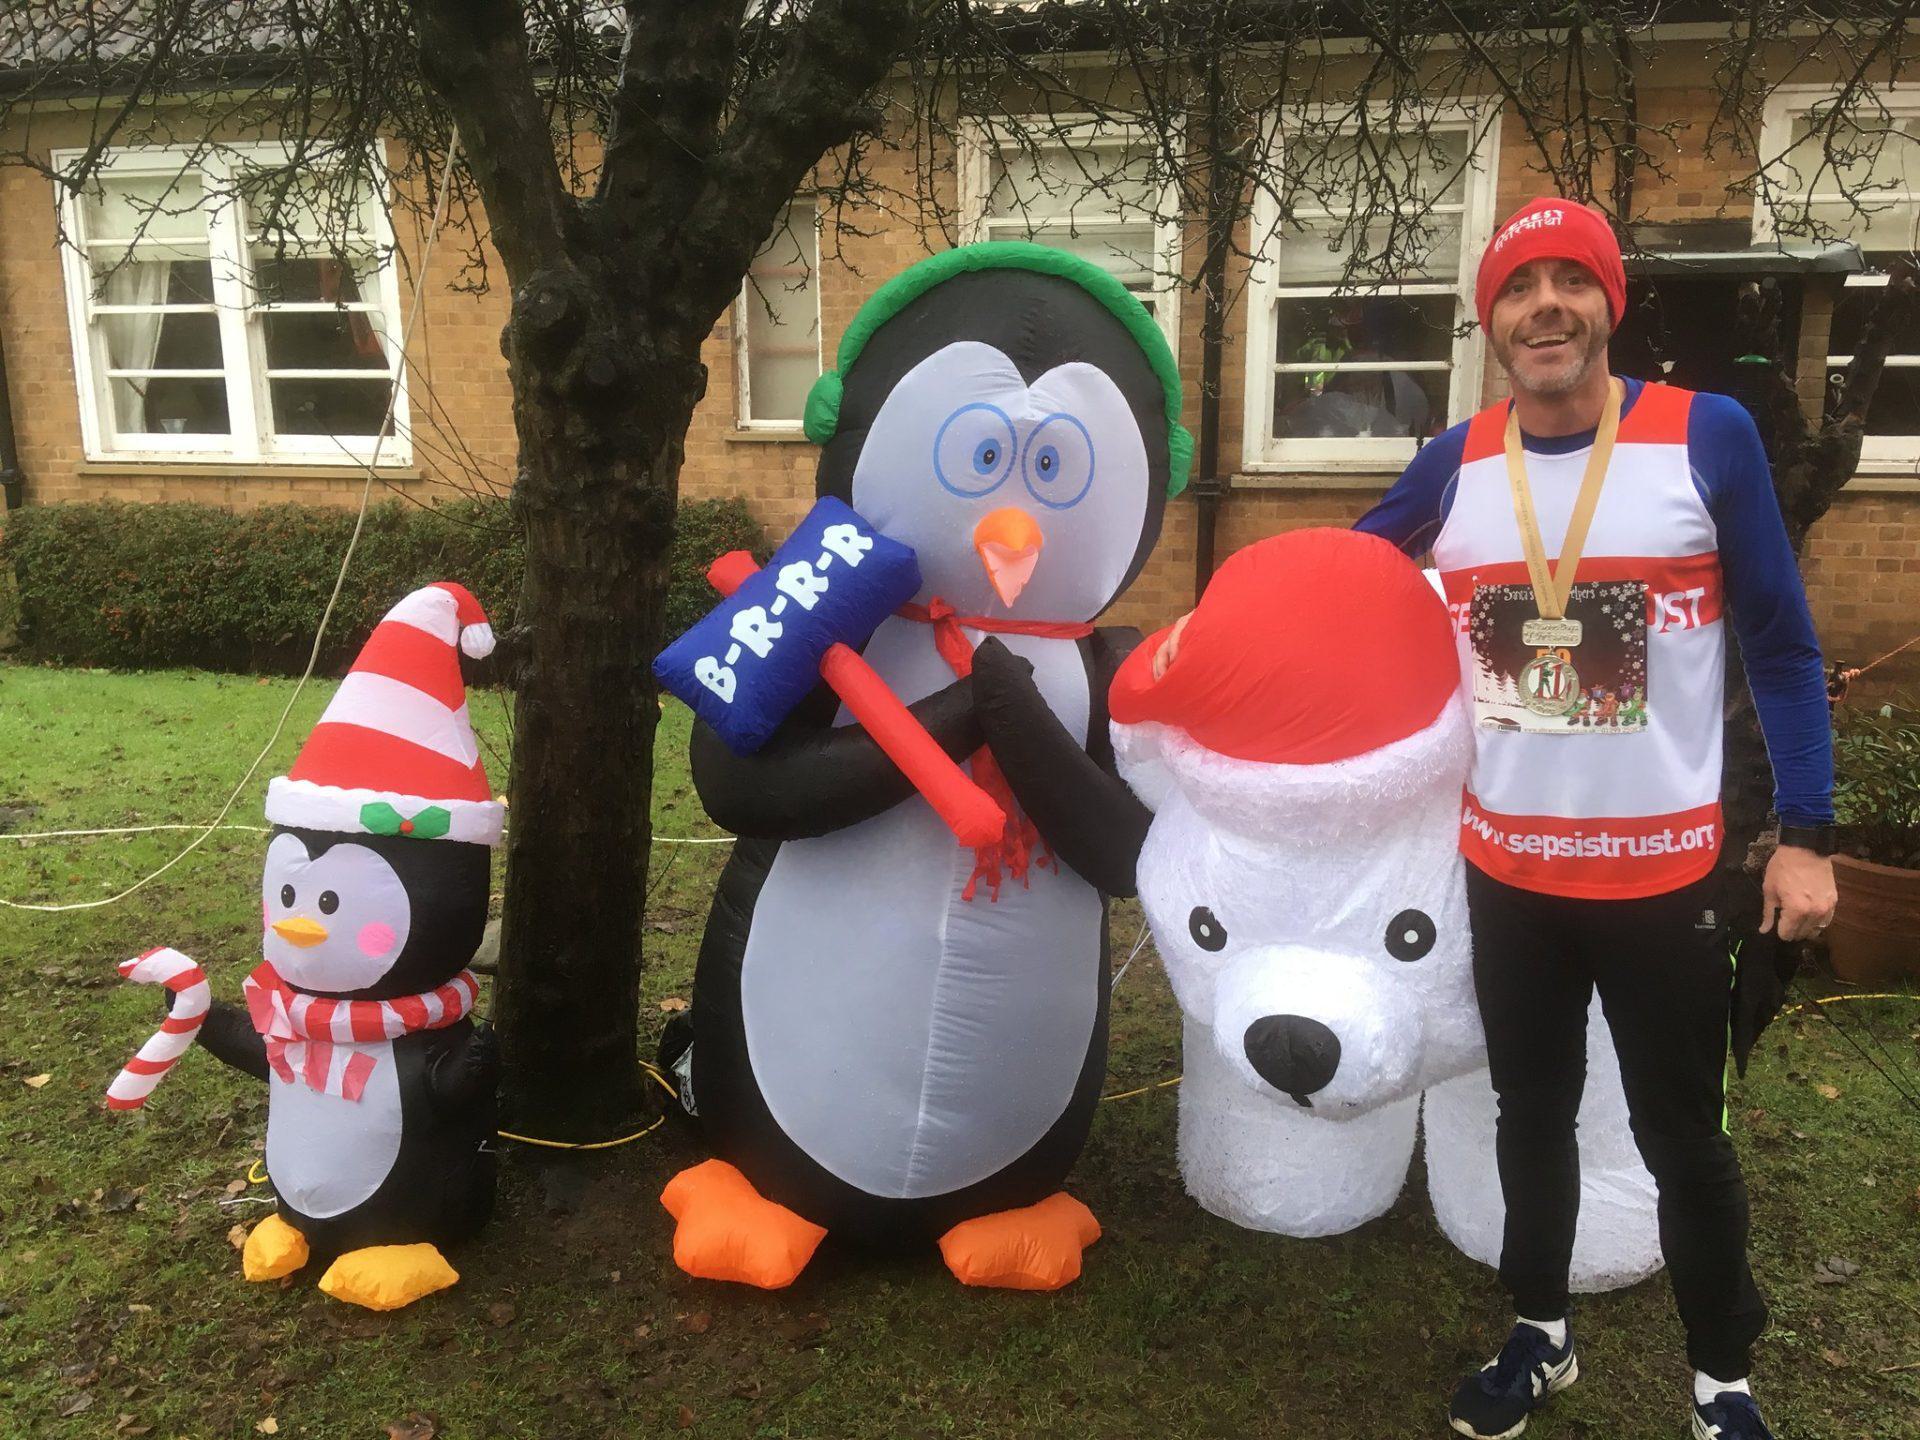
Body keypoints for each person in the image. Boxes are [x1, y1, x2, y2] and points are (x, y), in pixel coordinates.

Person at [1151, 197, 1836, 1440]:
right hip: (1510, 882)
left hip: (1664, 883)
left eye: (1574, 281)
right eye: (1521, 288)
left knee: (1683, 1137)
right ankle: (1539, 1332)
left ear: (1609, 305)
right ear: (1492, 323)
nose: (1547, 307)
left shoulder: (1706, 437)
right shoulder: (1458, 462)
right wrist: (1241, 652)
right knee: (1534, 1119)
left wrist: (1807, 831)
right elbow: (1347, 585)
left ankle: (1723, 1376)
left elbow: (1783, 651)